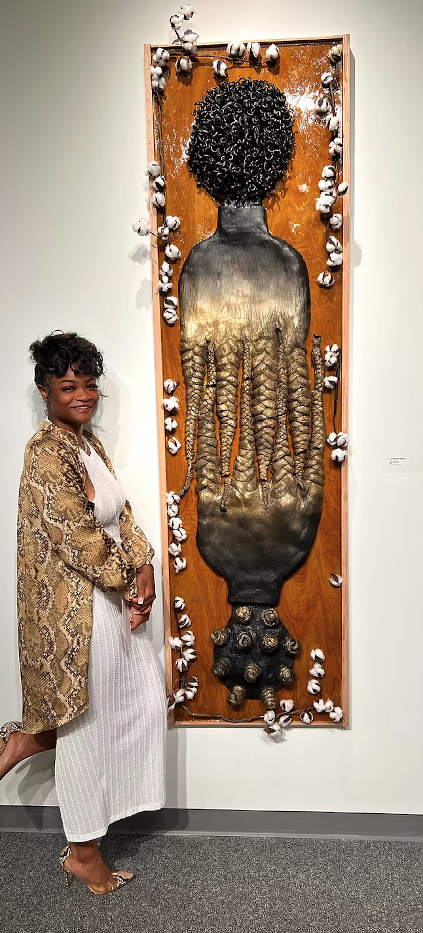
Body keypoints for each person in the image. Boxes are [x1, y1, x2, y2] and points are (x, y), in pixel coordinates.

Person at [0, 332, 166, 894]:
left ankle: (29, 739)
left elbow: (122, 516)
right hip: (78, 610)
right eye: (69, 386)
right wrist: (128, 581)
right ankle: (83, 852)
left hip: (107, 600)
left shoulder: (87, 445)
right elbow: (76, 536)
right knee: (89, 729)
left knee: (133, 705)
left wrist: (144, 568)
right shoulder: (46, 451)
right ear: (45, 390)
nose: (83, 395)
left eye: (90, 384)